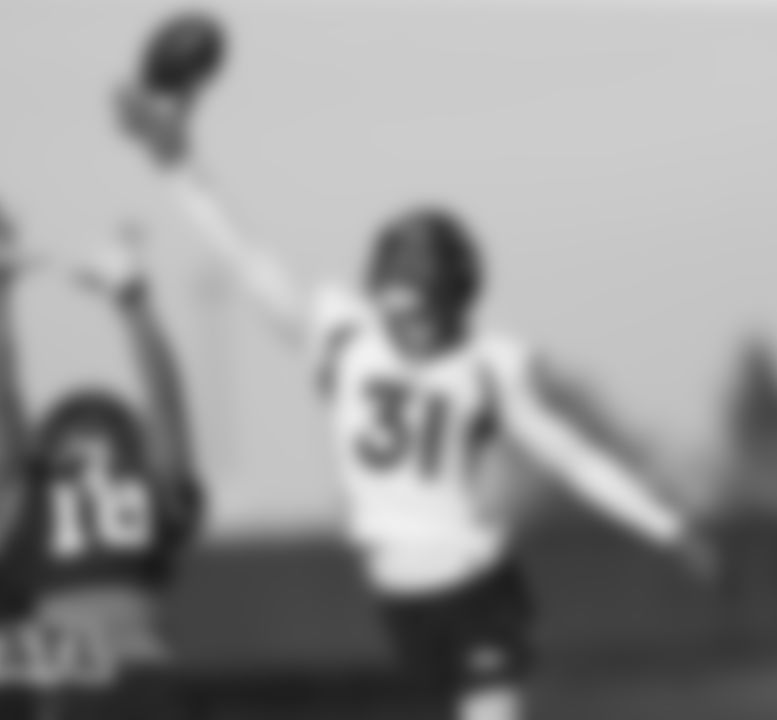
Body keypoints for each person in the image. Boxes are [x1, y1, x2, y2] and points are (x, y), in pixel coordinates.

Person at [114, 83, 715, 720]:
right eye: (402, 305)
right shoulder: (371, 340)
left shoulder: (446, 357)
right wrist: (179, 169)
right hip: (401, 593)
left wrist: (666, 524)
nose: (411, 324)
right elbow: (248, 263)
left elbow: (571, 457)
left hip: (471, 574)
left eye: (422, 307)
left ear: (453, 301)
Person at [0, 195, 204, 719]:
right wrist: (133, 300)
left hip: (74, 683)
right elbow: (168, 402)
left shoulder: (19, 500)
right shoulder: (151, 485)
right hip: (146, 680)